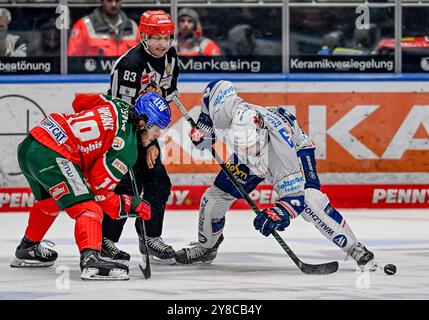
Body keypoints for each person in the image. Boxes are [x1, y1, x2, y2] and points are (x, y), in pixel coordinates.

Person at [175, 80, 378, 272]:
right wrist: (204, 128)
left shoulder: (282, 155)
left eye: (251, 144)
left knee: (310, 202)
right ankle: (207, 247)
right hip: (251, 161)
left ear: (260, 133)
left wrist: (277, 214)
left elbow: (294, 200)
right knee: (214, 197)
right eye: (242, 144)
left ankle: (355, 249)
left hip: (297, 151)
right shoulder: (230, 112)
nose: (248, 148)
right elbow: (214, 91)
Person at [11, 92, 171, 280]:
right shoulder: (126, 150)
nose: (158, 135)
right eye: (157, 129)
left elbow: (79, 101)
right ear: (142, 123)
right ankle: (91, 258)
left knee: (50, 203)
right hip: (54, 154)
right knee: (89, 208)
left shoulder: (116, 103)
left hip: (34, 142)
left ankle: (28, 247)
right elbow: (99, 192)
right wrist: (131, 204)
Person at [102, 10, 178, 265]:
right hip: (119, 136)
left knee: (159, 182)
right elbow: (122, 115)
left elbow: (163, 100)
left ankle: (151, 238)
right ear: (143, 36)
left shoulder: (171, 58)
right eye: (156, 37)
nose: (162, 44)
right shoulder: (130, 65)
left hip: (146, 135)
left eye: (167, 37)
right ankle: (106, 242)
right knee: (123, 187)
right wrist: (144, 144)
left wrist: (152, 142)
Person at [68, 0, 139, 56]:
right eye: (109, 1)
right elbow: (73, 61)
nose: (114, 4)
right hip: (94, 73)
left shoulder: (133, 26)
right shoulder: (83, 26)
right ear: (102, 1)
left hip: (124, 73)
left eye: (117, 1)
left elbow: (140, 58)